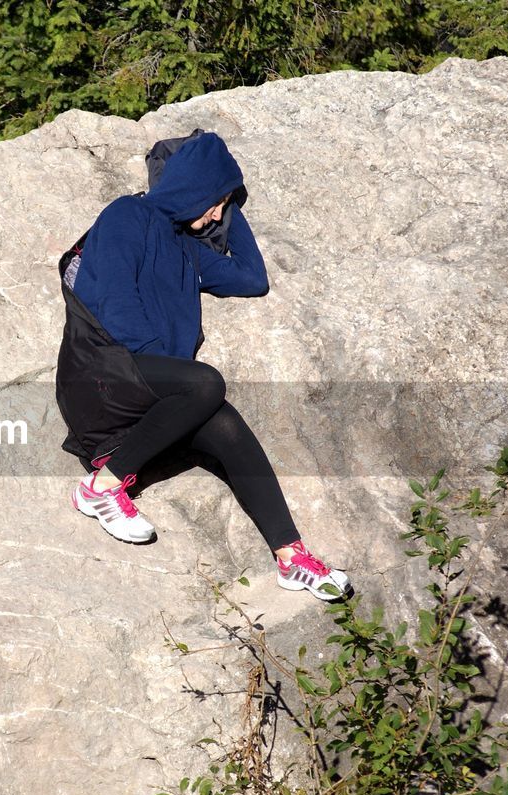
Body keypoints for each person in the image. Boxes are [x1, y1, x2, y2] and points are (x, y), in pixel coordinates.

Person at [56, 131, 353, 602]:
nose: (217, 214)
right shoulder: (124, 215)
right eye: (213, 201)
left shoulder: (188, 250)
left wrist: (231, 207)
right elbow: (114, 306)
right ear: (189, 187)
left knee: (227, 425)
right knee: (205, 383)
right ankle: (102, 486)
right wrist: (173, 377)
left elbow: (253, 280)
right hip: (103, 379)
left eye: (223, 205)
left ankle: (291, 557)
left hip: (160, 398)